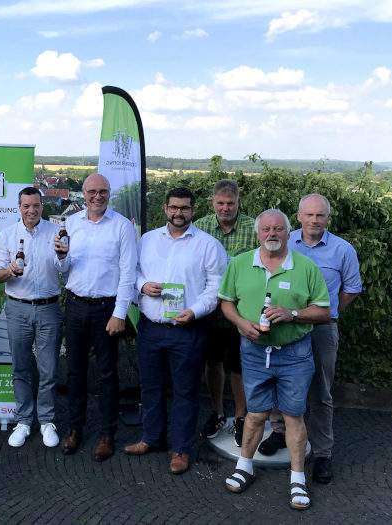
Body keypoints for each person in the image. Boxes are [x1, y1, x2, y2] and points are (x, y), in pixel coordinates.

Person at [218, 209, 330, 511]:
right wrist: (241, 323)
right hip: (254, 352)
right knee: (255, 414)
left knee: (294, 416)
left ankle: (297, 479)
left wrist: (292, 314)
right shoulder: (241, 264)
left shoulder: (305, 266)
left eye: (278, 229)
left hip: (295, 353)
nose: (272, 234)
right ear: (257, 233)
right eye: (266, 229)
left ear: (288, 232)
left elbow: (323, 311)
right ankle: (245, 466)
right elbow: (226, 302)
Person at [257, 194, 361, 484]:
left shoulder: (343, 250)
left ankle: (323, 453)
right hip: (283, 325)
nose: (315, 220)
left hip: (320, 329)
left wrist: (323, 313)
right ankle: (279, 432)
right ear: (299, 217)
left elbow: (351, 289)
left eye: (321, 216)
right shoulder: (282, 242)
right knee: (280, 380)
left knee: (321, 391)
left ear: (328, 218)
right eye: (309, 215)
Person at [123, 187, 226, 474]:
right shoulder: (146, 240)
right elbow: (132, 271)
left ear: (193, 211)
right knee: (151, 387)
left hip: (188, 329)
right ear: (165, 209)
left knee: (185, 391)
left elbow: (216, 287)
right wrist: (143, 285)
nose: (178, 213)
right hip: (151, 327)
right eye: (174, 208)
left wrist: (195, 311)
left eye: (184, 208)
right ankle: (151, 438)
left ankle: (180, 449)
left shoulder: (208, 245)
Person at [56, 173, 137, 461]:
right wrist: (61, 258)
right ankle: (74, 428)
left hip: (107, 307)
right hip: (76, 305)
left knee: (107, 373)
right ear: (83, 193)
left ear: (109, 193)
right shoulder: (71, 224)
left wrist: (119, 313)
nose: (97, 196)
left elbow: (128, 273)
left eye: (103, 191)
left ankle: (106, 432)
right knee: (75, 371)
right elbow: (63, 269)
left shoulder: (121, 227)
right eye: (92, 191)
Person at [0, 187, 66, 448]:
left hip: (48, 307)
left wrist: (61, 256)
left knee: (48, 369)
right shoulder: (7, 235)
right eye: (26, 206)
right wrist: (10, 270)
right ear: (19, 207)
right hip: (18, 308)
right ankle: (23, 421)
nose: (31, 210)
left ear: (41, 206)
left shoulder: (55, 233)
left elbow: (65, 269)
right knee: (21, 368)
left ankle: (46, 421)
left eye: (36, 205)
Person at [194, 179, 258, 445]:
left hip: (242, 311)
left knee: (239, 365)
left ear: (238, 202)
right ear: (213, 203)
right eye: (220, 203)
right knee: (213, 362)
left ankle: (241, 417)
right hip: (209, 310)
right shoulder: (200, 227)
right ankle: (218, 412)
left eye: (230, 203)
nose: (225, 208)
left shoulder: (254, 228)